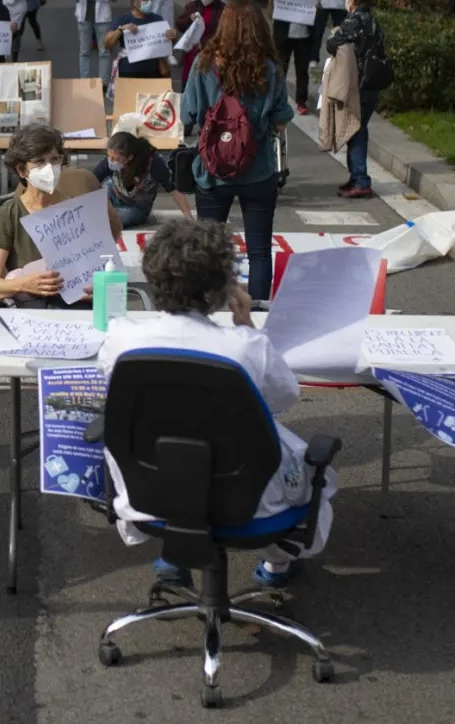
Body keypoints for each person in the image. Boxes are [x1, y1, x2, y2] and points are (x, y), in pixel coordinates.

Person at [99, 218, 331, 588]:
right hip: (245, 496)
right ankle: (276, 566)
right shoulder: (246, 346)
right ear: (223, 286)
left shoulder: (121, 339)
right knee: (297, 459)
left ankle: (175, 553)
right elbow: (284, 397)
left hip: (153, 491)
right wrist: (245, 324)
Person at [181, 0, 294, 299]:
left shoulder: (204, 64)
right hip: (258, 171)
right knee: (259, 250)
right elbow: (282, 120)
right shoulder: (269, 68)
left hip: (211, 171)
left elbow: (188, 114)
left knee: (208, 248)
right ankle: (256, 311)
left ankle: (206, 309)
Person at [0, 124, 123, 306]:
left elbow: (103, 269)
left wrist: (100, 287)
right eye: (40, 161)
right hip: (32, 312)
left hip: (78, 309)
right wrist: (25, 284)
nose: (50, 168)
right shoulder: (8, 215)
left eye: (55, 159)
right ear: (22, 170)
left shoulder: (78, 211)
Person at [324, 0, 388, 199]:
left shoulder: (354, 21)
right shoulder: (374, 21)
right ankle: (356, 176)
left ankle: (361, 180)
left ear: (352, 0)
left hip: (356, 84)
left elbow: (333, 44)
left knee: (355, 131)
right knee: (360, 129)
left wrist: (333, 38)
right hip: (372, 83)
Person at [92, 130, 187, 227]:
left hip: (137, 206)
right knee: (96, 204)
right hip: (114, 193)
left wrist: (189, 218)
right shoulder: (111, 161)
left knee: (113, 220)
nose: (111, 161)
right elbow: (92, 178)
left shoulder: (153, 163)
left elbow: (173, 189)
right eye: (109, 156)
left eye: (116, 159)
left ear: (129, 157)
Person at [105, 0, 180, 85]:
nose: (149, 3)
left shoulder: (158, 19)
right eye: (145, 0)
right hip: (129, 72)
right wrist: (120, 30)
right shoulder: (123, 20)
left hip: (153, 72)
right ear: (134, 2)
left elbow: (168, 45)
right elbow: (107, 44)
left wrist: (173, 36)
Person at [270, 0, 315, 113]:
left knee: (302, 70)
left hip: (303, 36)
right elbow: (272, 14)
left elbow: (315, 15)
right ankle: (277, 99)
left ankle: (301, 101)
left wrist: (317, 8)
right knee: (281, 68)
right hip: (284, 37)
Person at [172, 0, 225, 89]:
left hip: (212, 54)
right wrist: (189, 19)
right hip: (192, 54)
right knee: (190, 84)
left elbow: (223, 32)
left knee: (209, 84)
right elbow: (179, 24)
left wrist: (207, 43)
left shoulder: (223, 9)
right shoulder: (192, 6)